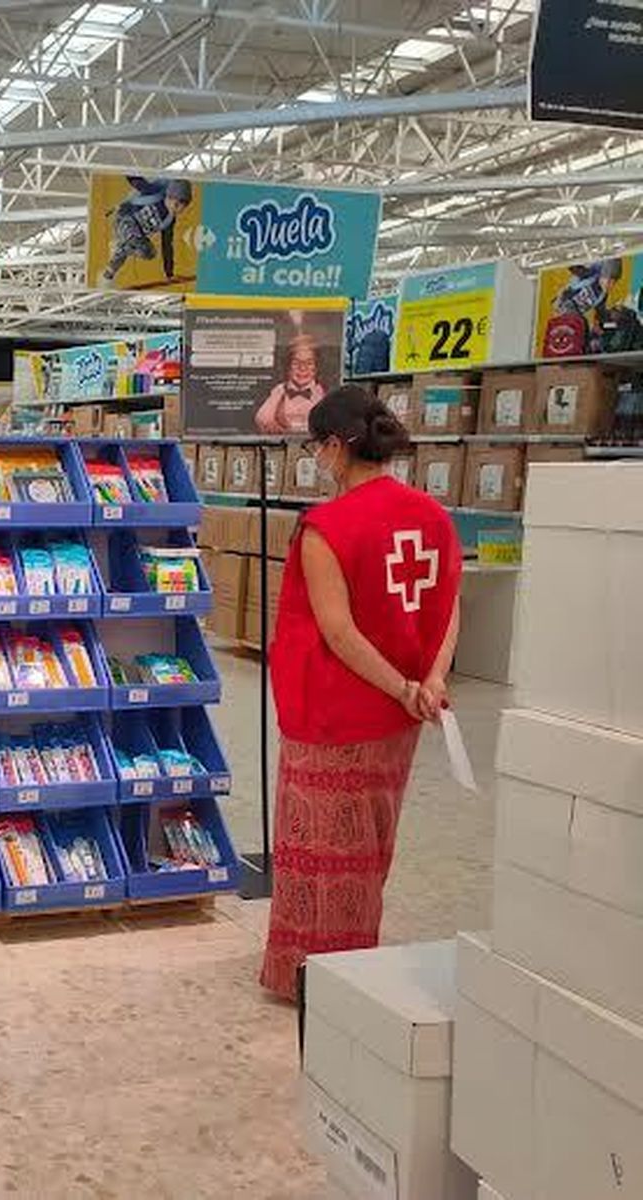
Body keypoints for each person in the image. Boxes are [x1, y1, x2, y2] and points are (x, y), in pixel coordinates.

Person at [260, 386, 463, 1001]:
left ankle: (308, 976)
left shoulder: (327, 527)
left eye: (315, 447)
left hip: (332, 712)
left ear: (334, 447)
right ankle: (356, 968)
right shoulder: (432, 516)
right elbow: (449, 605)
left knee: (315, 850)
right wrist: (428, 682)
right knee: (369, 847)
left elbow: (338, 632)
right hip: (397, 719)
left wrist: (404, 686)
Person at [100, 176, 193, 286]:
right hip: (125, 220)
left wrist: (169, 273)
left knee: (150, 253)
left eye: (180, 209)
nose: (175, 210)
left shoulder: (169, 221)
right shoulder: (154, 194)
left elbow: (167, 245)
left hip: (138, 235)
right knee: (134, 239)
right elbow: (138, 183)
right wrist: (130, 173)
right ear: (168, 196)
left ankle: (109, 273)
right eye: (175, 204)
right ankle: (120, 248)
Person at [255, 334, 326, 434]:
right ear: (288, 366)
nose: (302, 368)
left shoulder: (322, 393)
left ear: (317, 367)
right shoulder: (280, 390)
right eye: (296, 363)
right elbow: (262, 418)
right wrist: (272, 426)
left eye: (309, 363)